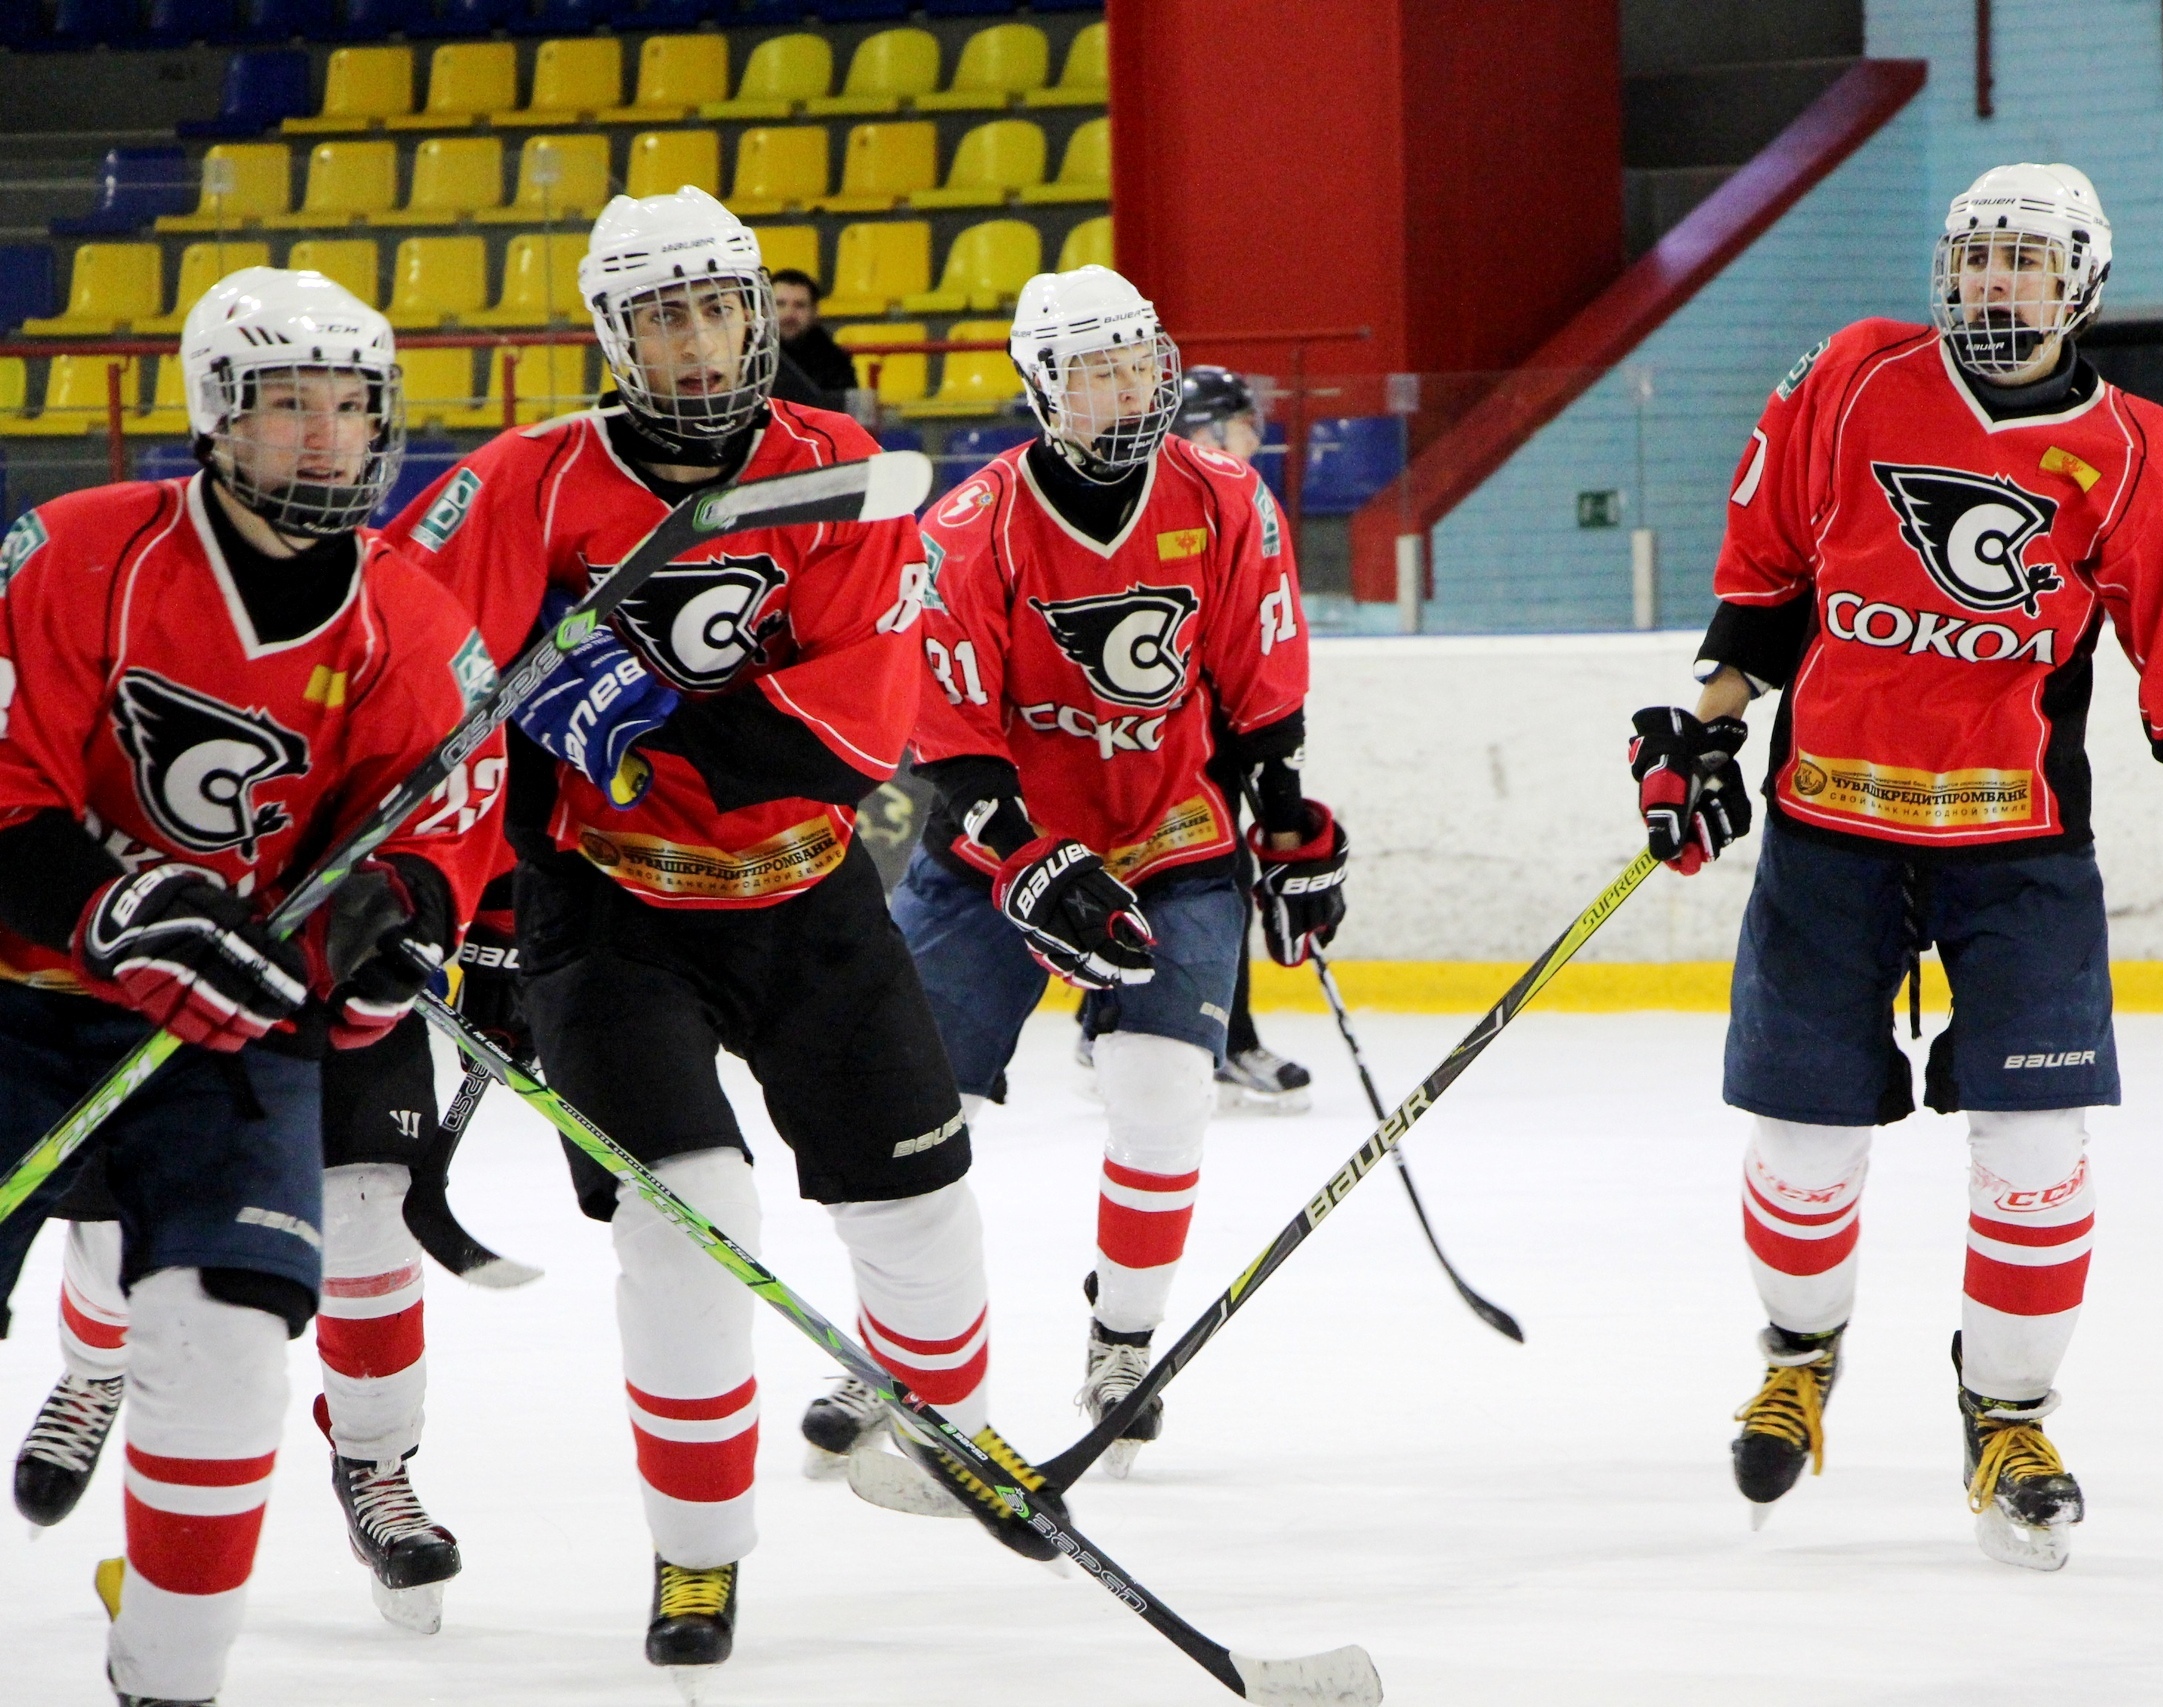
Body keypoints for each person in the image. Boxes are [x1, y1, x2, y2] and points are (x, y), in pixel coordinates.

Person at [1627, 163, 2163, 1571]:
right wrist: (1704, 732)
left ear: (2082, 281)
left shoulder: (2144, 451)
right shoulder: (1849, 377)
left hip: (2016, 849)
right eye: (1972, 260)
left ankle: (2008, 1408)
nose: (1990, 285)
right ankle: (1799, 1353)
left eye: (2023, 262)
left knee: (2034, 1148)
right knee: (1802, 1137)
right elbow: (1767, 577)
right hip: (1829, 828)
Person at [384, 186, 1051, 1693]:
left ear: (761, 313)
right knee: (692, 1222)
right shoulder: (525, 484)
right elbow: (423, 690)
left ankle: (937, 1413)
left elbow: (848, 740)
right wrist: (475, 891)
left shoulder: (847, 477)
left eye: (718, 305)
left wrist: (644, 709)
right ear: (611, 333)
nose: (695, 340)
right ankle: (698, 1540)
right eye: (660, 312)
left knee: (924, 1217)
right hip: (607, 913)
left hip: (805, 894)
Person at [0, 266, 500, 1706]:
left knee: (225, 1358)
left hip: (230, 1041)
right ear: (220, 414)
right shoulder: (80, 549)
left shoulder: (410, 620)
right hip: (23, 1003)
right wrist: (111, 906)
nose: (327, 438)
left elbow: (436, 845)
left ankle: (168, 1682)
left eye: (350, 406)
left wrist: (362, 935)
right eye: (289, 406)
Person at [825, 266, 1346, 1480]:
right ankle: (894, 1349)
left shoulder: (1225, 500)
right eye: (1095, 369)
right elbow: (948, 741)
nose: (1125, 388)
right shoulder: (969, 530)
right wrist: (1028, 860)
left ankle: (1122, 1341)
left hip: (1166, 837)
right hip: (992, 857)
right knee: (911, 1109)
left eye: (1137, 362)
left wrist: (1283, 821)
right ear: (1042, 388)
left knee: (1163, 1090)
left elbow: (1258, 691)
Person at [11, 1013, 471, 1639]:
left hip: (335, 985)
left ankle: (375, 1459)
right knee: (125, 1221)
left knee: (367, 1205)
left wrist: (482, 941)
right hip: (163, 977)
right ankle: (95, 1371)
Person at [1069, 365, 1315, 1113]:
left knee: (1196, 881)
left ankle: (1113, 1020)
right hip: (1160, 735)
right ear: (1202, 428)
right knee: (1204, 878)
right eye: (1240, 423)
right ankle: (1213, 1039)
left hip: (1206, 727)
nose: (1253, 436)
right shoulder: (1166, 501)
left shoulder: (1229, 502)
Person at [765, 267, 856, 409]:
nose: (789, 314)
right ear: (765, 308)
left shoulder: (836, 361)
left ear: (815, 311)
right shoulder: (745, 354)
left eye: (799, 305)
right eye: (780, 304)